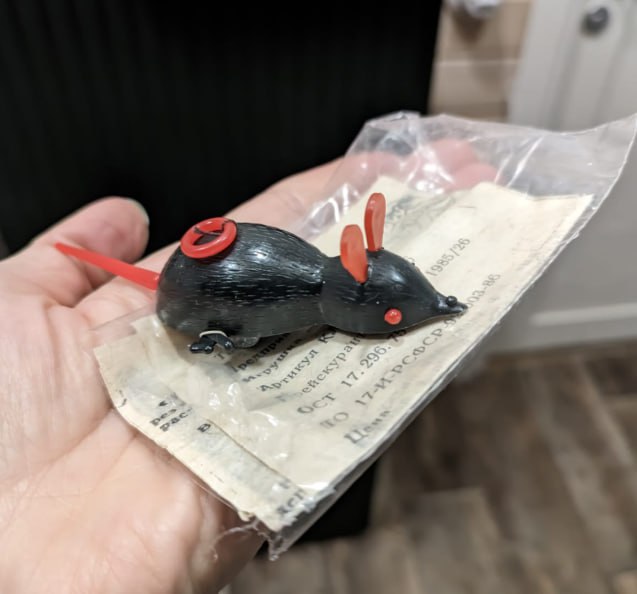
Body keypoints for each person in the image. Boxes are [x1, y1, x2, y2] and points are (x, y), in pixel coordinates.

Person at [0, 145, 495, 593]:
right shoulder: (303, 296)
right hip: (188, 300)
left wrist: (431, 304)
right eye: (391, 317)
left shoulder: (308, 284)